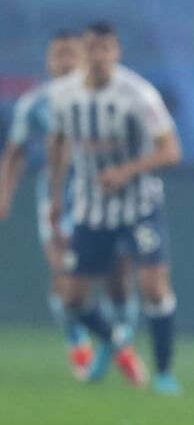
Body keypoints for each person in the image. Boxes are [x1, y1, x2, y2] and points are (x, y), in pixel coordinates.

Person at [47, 21, 183, 395]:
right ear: (84, 52)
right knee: (71, 298)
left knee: (154, 289)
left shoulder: (139, 95)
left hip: (140, 206)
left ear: (117, 53)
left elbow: (172, 150)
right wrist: (57, 197)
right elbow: (58, 142)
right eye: (93, 48)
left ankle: (165, 373)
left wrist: (127, 170)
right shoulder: (64, 96)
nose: (100, 56)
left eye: (107, 48)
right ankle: (116, 339)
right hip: (91, 209)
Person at [0, 30, 138, 380]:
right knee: (63, 275)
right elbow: (15, 152)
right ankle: (80, 342)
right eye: (57, 55)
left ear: (84, 59)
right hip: (58, 198)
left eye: (71, 55)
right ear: (48, 62)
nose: (64, 63)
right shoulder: (35, 103)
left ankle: (119, 339)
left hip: (106, 199)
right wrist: (4, 194)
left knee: (118, 276)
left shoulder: (112, 97)